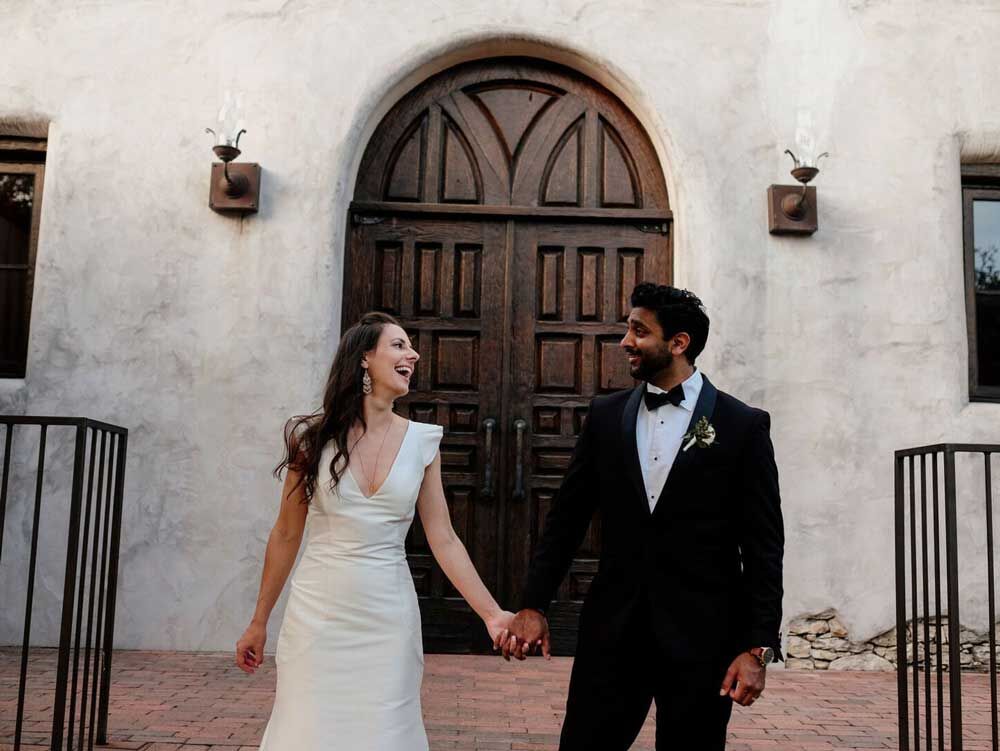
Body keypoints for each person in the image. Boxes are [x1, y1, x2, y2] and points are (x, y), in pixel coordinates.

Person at [500, 283, 785, 751]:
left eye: (638, 331)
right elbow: (566, 520)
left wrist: (757, 648)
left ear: (678, 343)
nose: (625, 341)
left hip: (704, 638)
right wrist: (533, 605)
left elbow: (762, 545)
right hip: (613, 630)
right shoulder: (606, 416)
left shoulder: (743, 425)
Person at [235, 311, 514, 750]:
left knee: (387, 729)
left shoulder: (423, 442)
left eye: (410, 347)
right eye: (399, 345)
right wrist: (258, 622)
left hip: (388, 616)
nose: (414, 354)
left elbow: (443, 538)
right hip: (318, 615)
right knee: (308, 728)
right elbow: (286, 535)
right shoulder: (312, 440)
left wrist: (492, 614)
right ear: (365, 357)